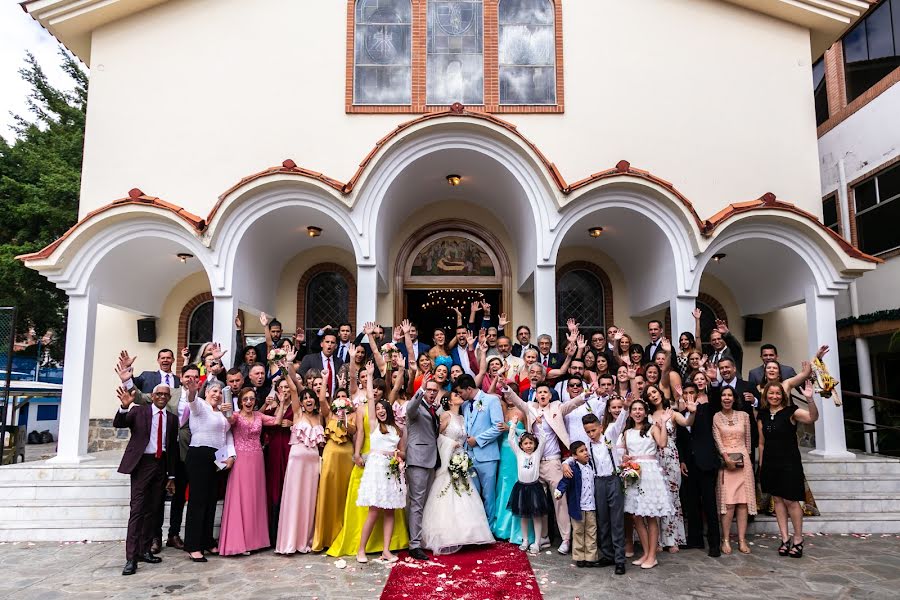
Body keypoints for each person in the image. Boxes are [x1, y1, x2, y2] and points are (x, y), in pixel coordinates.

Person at [501, 381, 590, 554]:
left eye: (545, 392)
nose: (542, 395)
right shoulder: (530, 407)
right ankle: (543, 537)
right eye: (539, 392)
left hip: (552, 461)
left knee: (559, 500)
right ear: (536, 395)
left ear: (549, 395)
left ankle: (566, 538)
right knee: (536, 502)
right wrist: (506, 388)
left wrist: (585, 395)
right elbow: (517, 400)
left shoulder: (557, 407)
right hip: (534, 462)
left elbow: (572, 404)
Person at [420, 389, 495, 555]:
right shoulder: (446, 416)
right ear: (449, 401)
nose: (459, 396)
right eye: (455, 395)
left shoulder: (463, 417)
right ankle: (446, 535)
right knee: (447, 495)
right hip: (449, 459)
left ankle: (468, 534)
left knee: (465, 494)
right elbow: (435, 436)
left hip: (462, 459)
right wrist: (449, 443)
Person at [114, 384, 178, 576]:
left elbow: (173, 450)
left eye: (165, 395)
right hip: (142, 464)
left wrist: (171, 476)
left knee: (153, 510)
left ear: (169, 398)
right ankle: (131, 559)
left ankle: (144, 550)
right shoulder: (139, 412)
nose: (161, 397)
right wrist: (124, 407)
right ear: (152, 395)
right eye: (158, 393)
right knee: (137, 510)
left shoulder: (172, 419)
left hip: (161, 465)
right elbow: (119, 423)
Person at [219, 387, 287, 556]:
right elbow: (226, 422)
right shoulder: (235, 415)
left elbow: (277, 422)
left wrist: (283, 401)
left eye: (251, 399)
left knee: (255, 498)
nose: (249, 402)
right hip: (241, 459)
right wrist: (224, 410)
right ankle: (238, 541)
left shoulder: (259, 416)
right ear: (240, 401)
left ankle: (255, 541)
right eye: (245, 399)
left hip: (257, 459)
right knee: (240, 497)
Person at [564, 407, 630, 574]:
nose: (591, 434)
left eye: (593, 430)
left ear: (600, 426)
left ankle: (619, 559)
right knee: (603, 520)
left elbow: (620, 422)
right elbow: (575, 455)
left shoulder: (610, 435)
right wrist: (566, 463)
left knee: (616, 521)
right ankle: (607, 555)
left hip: (613, 479)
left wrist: (626, 407)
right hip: (598, 483)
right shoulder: (587, 446)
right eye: (588, 432)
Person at [759, 380, 819, 559]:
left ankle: (798, 539)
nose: (774, 396)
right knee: (777, 500)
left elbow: (812, 418)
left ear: (783, 395)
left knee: (791, 501)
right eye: (771, 393)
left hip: (789, 462)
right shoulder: (762, 415)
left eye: (778, 393)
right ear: (766, 396)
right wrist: (762, 466)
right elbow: (761, 443)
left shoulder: (791, 412)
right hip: (770, 463)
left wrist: (809, 399)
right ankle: (784, 538)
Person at [356, 370, 407, 564]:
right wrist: (369, 377)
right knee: (374, 510)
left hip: (392, 470)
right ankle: (361, 549)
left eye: (383, 408)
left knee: (390, 510)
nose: (380, 411)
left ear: (389, 410)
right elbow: (370, 397)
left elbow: (402, 452)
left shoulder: (397, 430)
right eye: (377, 409)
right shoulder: (374, 424)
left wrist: (397, 456)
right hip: (376, 470)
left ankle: (386, 550)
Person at [275, 363, 326, 555]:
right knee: (294, 500)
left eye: (310, 398)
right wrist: (286, 368)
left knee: (308, 502)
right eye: (305, 399)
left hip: (313, 464)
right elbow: (295, 389)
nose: (307, 401)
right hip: (297, 462)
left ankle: (305, 541)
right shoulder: (297, 414)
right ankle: (288, 542)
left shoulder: (320, 417)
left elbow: (322, 399)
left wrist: (326, 378)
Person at [619, 398, 673, 569]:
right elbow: (623, 453)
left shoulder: (652, 429)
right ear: (630, 412)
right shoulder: (627, 433)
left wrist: (663, 424)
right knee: (636, 515)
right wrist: (625, 459)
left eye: (640, 409)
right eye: (634, 409)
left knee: (650, 516)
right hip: (633, 473)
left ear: (645, 411)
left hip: (649, 473)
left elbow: (663, 444)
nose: (637, 412)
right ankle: (646, 552)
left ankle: (652, 555)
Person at [183, 378, 233, 562]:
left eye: (220, 392)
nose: (217, 395)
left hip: (217, 456)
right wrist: (191, 390)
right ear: (206, 393)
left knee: (211, 499)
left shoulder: (222, 413)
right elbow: (192, 400)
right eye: (213, 391)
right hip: (199, 454)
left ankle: (207, 540)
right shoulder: (200, 407)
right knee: (198, 501)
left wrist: (230, 456)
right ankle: (193, 545)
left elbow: (227, 434)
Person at [644, 384, 696, 553]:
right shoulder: (647, 416)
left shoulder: (672, 412)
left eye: (655, 391)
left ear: (660, 393)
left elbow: (687, 422)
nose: (653, 395)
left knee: (672, 497)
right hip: (653, 458)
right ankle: (657, 540)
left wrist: (692, 411)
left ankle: (673, 539)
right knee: (656, 498)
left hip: (670, 457)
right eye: (649, 394)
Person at [676, 377, 721, 557]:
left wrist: (714, 383)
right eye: (685, 393)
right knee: (692, 503)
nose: (688, 396)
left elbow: (717, 401)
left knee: (709, 504)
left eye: (691, 393)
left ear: (697, 394)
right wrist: (682, 460)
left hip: (706, 462)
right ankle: (695, 540)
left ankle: (714, 543)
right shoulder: (680, 414)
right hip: (689, 464)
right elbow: (681, 440)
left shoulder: (706, 409)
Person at [311, 386, 357, 552]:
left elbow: (353, 431)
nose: (342, 399)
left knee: (344, 493)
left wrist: (345, 418)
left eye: (345, 396)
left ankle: (342, 535)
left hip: (347, 455)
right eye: (339, 396)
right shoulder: (329, 413)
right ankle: (324, 536)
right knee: (328, 492)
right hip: (331, 455)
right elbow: (322, 399)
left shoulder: (353, 415)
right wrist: (324, 379)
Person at [456, 374, 506, 527]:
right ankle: (477, 527)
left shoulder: (491, 400)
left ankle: (489, 527)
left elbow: (498, 427)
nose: (459, 395)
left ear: (469, 389)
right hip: (469, 457)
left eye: (460, 392)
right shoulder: (464, 406)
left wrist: (478, 440)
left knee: (488, 494)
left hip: (487, 456)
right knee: (473, 493)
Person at [712, 386, 756, 555]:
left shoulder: (744, 416)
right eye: (724, 395)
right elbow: (717, 439)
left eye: (730, 395)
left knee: (743, 503)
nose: (727, 398)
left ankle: (742, 540)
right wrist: (726, 458)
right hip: (726, 463)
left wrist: (746, 460)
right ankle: (725, 540)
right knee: (728, 504)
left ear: (734, 398)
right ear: (720, 398)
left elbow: (748, 441)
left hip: (743, 462)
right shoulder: (717, 417)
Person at [405, 374, 442, 561]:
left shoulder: (433, 408)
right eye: (429, 389)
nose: (432, 393)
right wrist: (420, 389)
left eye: (435, 390)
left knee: (424, 502)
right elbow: (409, 409)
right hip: (418, 459)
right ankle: (414, 545)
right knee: (417, 503)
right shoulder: (416, 407)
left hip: (431, 459)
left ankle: (418, 538)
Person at [492, 387, 531, 545]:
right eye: (505, 395)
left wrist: (511, 429)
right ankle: (501, 528)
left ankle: (515, 530)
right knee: (502, 486)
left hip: (515, 454)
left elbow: (528, 434)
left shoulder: (521, 412)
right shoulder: (501, 411)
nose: (508, 397)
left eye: (511, 394)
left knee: (514, 486)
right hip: (503, 452)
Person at [507, 422, 548, 555]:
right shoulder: (519, 453)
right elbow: (510, 440)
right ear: (521, 445)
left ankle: (537, 542)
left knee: (537, 517)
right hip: (522, 488)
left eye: (531, 443)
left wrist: (539, 424)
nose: (528, 446)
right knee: (523, 516)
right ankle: (524, 540)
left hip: (535, 488)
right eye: (526, 443)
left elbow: (543, 438)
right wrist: (512, 425)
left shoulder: (537, 454)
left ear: (534, 444)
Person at [554, 441, 596, 568]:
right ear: (575, 456)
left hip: (591, 506)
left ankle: (590, 557)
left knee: (591, 532)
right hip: (577, 507)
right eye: (581, 451)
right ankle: (579, 557)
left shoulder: (592, 466)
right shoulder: (573, 469)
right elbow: (564, 482)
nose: (585, 453)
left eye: (586, 450)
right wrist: (559, 491)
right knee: (578, 532)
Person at [299, 329, 344, 397]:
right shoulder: (309, 359)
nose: (329, 344)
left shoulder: (339, 362)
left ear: (336, 346)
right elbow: (301, 378)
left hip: (334, 400)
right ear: (321, 344)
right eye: (327, 342)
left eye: (332, 342)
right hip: (313, 400)